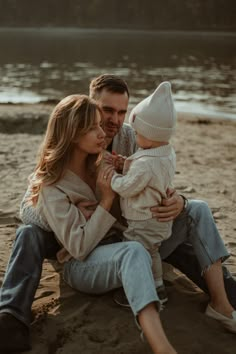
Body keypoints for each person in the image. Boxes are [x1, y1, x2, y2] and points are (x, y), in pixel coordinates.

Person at [0, 74, 236, 352]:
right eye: (106, 112)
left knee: (193, 210)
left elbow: (156, 180)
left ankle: (225, 297)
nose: (113, 121)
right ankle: (11, 315)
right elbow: (30, 204)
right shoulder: (67, 151)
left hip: (128, 232)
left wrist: (178, 201)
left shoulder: (131, 138)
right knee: (29, 233)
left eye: (122, 112)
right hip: (73, 238)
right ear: (90, 107)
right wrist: (73, 211)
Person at [5, 94, 177, 354]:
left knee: (187, 217)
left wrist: (174, 198)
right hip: (82, 266)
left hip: (117, 248)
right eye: (92, 128)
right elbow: (79, 247)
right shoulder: (53, 187)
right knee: (134, 251)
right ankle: (161, 345)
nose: (102, 133)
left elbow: (140, 195)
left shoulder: (103, 164)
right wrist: (106, 202)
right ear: (73, 134)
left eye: (100, 124)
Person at [110, 81, 177, 304]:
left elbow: (128, 186)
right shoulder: (166, 154)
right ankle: (159, 287)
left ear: (149, 134)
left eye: (138, 133)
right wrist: (125, 165)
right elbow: (147, 176)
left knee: (137, 251)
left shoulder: (145, 164)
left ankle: (142, 288)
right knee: (152, 251)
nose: (134, 136)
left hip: (142, 219)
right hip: (158, 220)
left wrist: (113, 176)